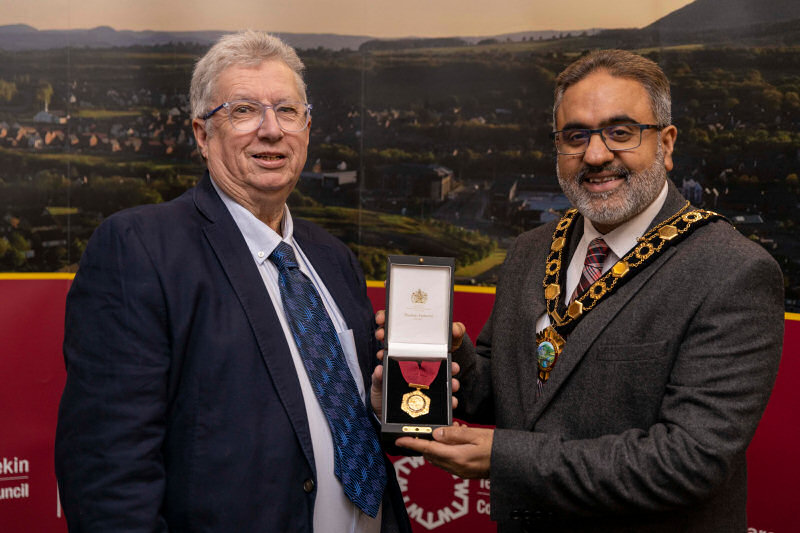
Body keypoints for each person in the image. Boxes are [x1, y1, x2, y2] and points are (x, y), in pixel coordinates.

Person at [391, 49, 784, 532]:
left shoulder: (732, 271)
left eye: (621, 132)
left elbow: (687, 462)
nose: (595, 155)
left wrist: (505, 458)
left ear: (665, 142)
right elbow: (513, 390)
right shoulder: (531, 250)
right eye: (575, 135)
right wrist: (445, 359)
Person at [55, 31, 410, 533]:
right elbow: (107, 475)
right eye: (244, 110)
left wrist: (376, 411)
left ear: (307, 128)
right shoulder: (140, 249)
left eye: (287, 111)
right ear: (202, 134)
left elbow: (319, 424)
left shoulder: (333, 260)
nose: (271, 130)